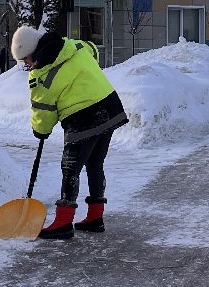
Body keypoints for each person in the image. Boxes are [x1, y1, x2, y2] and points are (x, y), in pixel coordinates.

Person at [10, 24, 129, 240]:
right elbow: (93, 49)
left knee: (70, 168)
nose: (26, 64)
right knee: (94, 164)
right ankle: (95, 217)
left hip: (83, 117)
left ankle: (63, 222)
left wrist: (40, 131)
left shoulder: (41, 76)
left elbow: (43, 111)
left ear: (34, 51)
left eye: (26, 59)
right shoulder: (73, 46)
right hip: (109, 107)